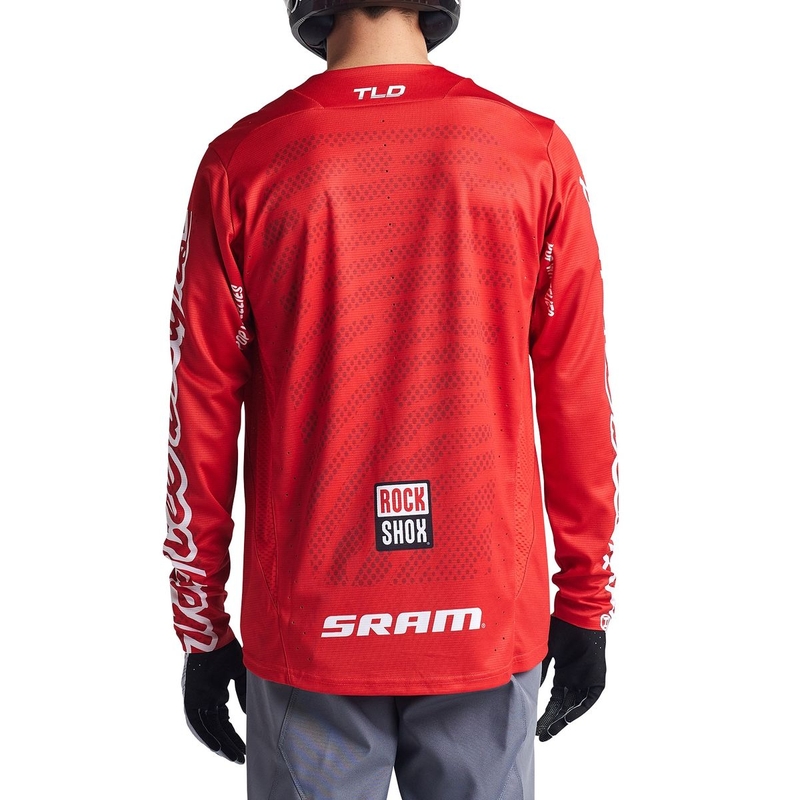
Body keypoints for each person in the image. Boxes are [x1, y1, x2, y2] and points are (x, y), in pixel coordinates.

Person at [164, 2, 619, 798]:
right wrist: (585, 604)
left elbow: (199, 406)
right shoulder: (531, 151)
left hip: (311, 629)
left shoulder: (244, 162)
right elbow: (575, 391)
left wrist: (201, 628)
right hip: (481, 621)